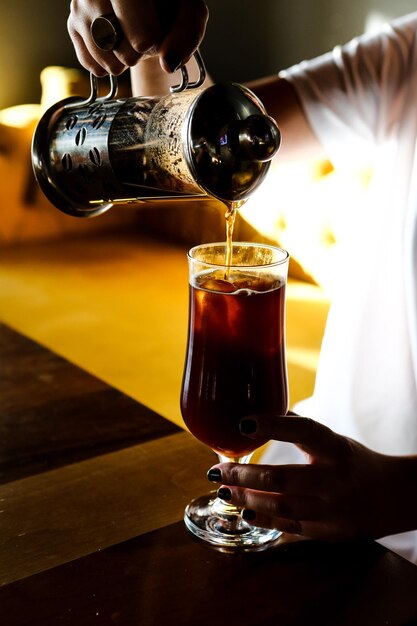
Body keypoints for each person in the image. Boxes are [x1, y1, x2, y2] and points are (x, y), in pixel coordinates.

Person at [68, 2, 417, 562]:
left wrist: (402, 493)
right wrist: (152, 32)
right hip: (295, 489)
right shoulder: (407, 54)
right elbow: (185, 141)